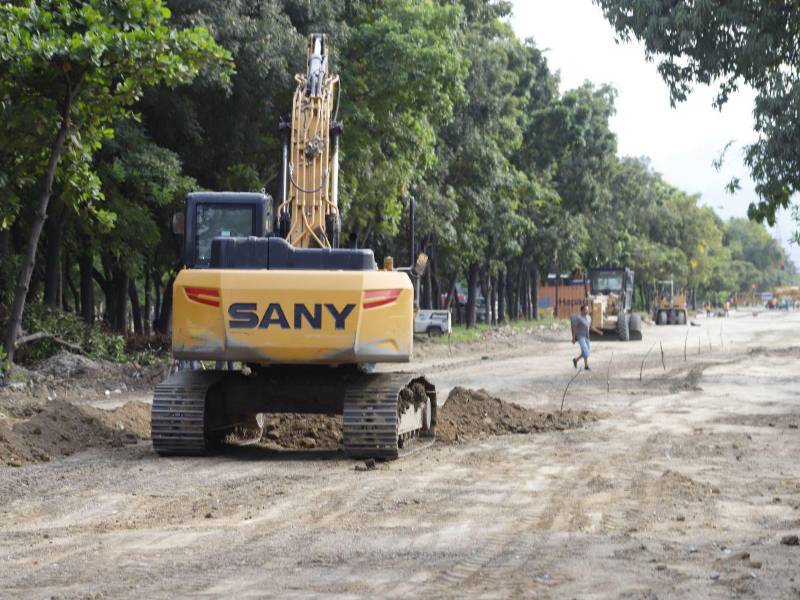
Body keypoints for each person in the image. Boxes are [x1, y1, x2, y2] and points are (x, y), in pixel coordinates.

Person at [571, 303, 603, 370]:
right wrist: (573, 338)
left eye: (588, 310)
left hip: (587, 336)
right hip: (580, 337)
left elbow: (590, 327)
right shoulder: (578, 318)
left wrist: (598, 331)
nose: (587, 311)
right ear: (582, 311)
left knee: (585, 352)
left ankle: (581, 363)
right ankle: (579, 362)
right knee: (586, 352)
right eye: (586, 310)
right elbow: (574, 328)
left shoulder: (589, 317)